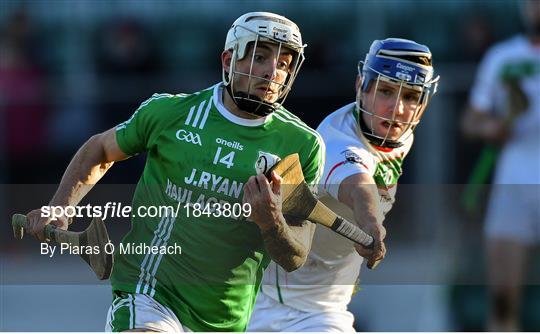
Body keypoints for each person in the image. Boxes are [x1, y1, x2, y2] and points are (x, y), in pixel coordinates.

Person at [24, 12, 325, 332]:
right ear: (228, 59)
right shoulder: (171, 113)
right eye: (262, 57)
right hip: (149, 293)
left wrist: (272, 220)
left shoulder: (302, 146)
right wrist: (60, 206)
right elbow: (101, 149)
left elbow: (296, 255)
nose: (272, 72)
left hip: (225, 318)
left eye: (284, 64)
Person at [248, 38, 440, 332]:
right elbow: (358, 185)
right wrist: (371, 221)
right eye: (386, 91)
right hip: (276, 306)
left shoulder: (399, 135)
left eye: (411, 97)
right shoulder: (338, 141)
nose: (397, 109)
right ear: (361, 85)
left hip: (329, 306)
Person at [461, 0, 540, 331]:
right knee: (503, 300)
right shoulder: (503, 57)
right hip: (514, 185)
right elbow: (470, 120)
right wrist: (491, 127)